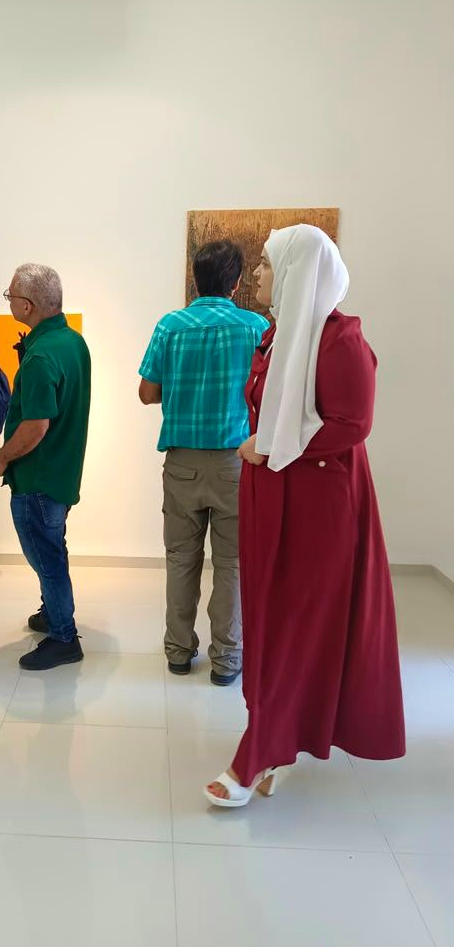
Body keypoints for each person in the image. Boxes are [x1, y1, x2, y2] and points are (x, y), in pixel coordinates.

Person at [203, 224, 405, 807]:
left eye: (267, 265)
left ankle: (259, 750)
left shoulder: (340, 340)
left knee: (296, 624)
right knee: (269, 618)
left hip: (319, 507)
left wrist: (269, 446)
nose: (258, 274)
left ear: (297, 272)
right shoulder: (279, 335)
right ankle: (274, 738)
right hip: (274, 492)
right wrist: (266, 449)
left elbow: (352, 425)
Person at [139, 241, 268, 684]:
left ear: (195, 279)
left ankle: (178, 652)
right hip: (237, 462)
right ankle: (227, 660)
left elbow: (147, 393)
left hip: (182, 463)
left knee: (181, 559)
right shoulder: (256, 327)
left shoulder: (170, 326)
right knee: (231, 564)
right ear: (236, 282)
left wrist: (182, 387)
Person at [0, 263, 91, 671]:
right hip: (61, 473)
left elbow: (35, 427)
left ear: (27, 305)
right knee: (53, 547)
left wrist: (1, 457)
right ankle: (52, 613)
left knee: (47, 559)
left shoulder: (40, 356)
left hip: (38, 478)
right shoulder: (73, 342)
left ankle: (64, 638)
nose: (9, 301)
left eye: (10, 296)